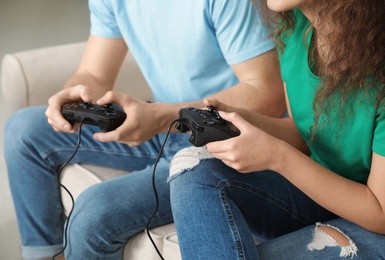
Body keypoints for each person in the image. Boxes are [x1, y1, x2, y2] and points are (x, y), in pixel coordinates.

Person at [3, 0, 286, 259]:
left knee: (93, 213)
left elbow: (267, 95)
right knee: (23, 130)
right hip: (162, 122)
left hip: (221, 140)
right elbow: (95, 74)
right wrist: (75, 93)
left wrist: (162, 117)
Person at [169, 0, 385, 259]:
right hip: (318, 189)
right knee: (192, 166)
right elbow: (308, 133)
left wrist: (278, 156)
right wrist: (242, 120)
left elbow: (382, 214)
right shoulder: (296, 28)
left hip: (376, 219)